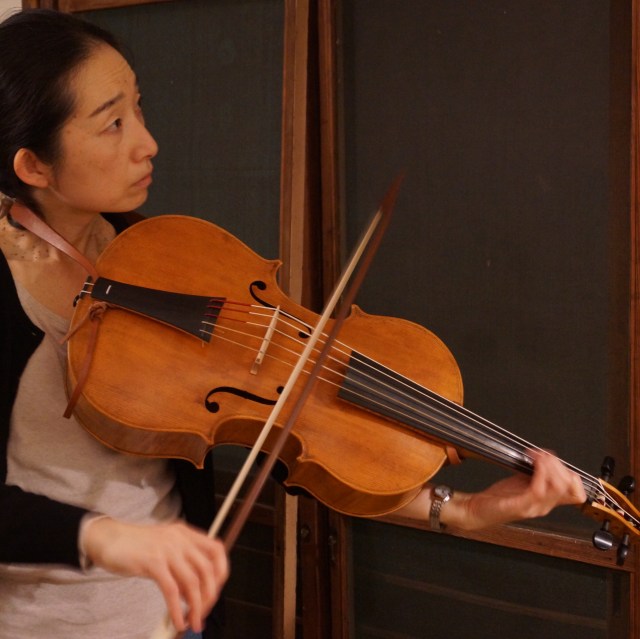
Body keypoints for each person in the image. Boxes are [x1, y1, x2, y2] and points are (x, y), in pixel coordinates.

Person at [0, 8, 586, 639]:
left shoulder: (165, 255)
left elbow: (294, 429)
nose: (148, 143)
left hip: (178, 618)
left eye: (139, 108)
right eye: (112, 124)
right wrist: (103, 536)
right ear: (34, 166)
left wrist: (462, 509)